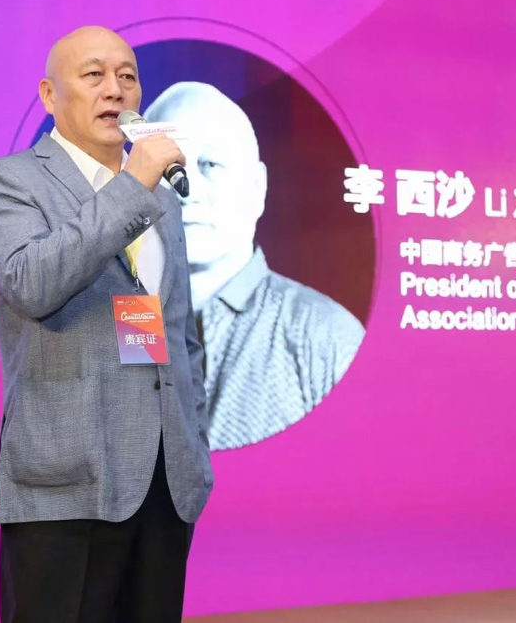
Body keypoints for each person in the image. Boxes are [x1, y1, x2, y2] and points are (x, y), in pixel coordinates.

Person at [0, 26, 212, 622]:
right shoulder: (6, 182)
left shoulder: (162, 199)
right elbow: (33, 284)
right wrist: (132, 186)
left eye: (127, 76)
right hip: (65, 483)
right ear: (50, 95)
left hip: (164, 483)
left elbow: (182, 334)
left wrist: (194, 446)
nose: (115, 89)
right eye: (94, 74)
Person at [144, 82, 365, 450]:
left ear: (257, 186)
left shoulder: (325, 337)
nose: (187, 189)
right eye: (167, 168)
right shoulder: (106, 323)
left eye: (210, 165)